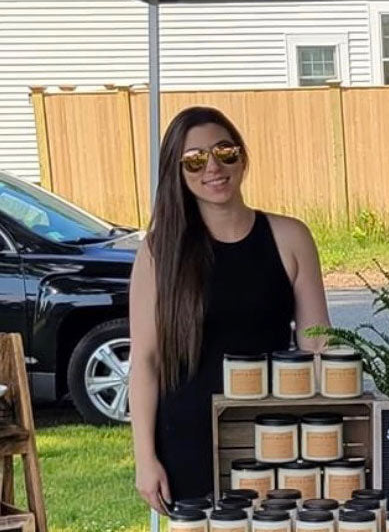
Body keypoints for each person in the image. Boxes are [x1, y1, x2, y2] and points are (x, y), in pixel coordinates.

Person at [129, 106, 330, 509]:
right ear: (178, 172)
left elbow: (319, 345)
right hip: (189, 440)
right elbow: (145, 363)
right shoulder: (158, 252)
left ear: (242, 155)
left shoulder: (290, 237)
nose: (214, 167)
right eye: (195, 160)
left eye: (225, 151)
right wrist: (145, 459)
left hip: (276, 437)